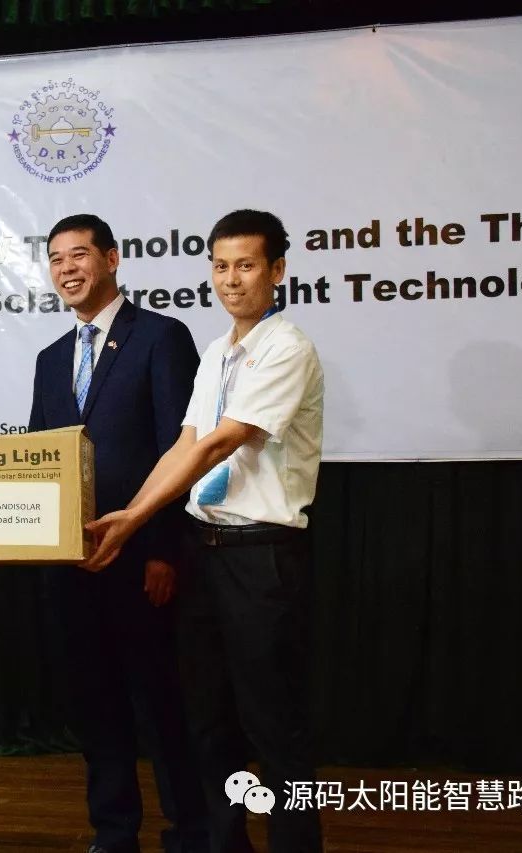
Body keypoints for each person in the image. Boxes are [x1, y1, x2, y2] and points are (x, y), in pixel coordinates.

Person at [86, 209, 324, 853]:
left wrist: (134, 517)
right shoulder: (217, 352)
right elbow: (185, 443)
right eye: (220, 266)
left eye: (246, 265)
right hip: (204, 552)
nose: (231, 280)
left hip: (262, 556)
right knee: (209, 723)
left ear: (277, 270)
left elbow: (222, 442)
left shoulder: (287, 347)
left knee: (274, 726)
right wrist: (132, 515)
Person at [28, 213, 209, 853]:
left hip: (140, 560)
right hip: (73, 564)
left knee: (162, 703)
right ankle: (113, 831)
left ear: (112, 258)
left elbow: (178, 452)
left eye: (79, 255)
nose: (66, 269)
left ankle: (190, 830)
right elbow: (40, 460)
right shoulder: (51, 359)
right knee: (96, 705)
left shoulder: (161, 337)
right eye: (56, 259)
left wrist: (163, 552)